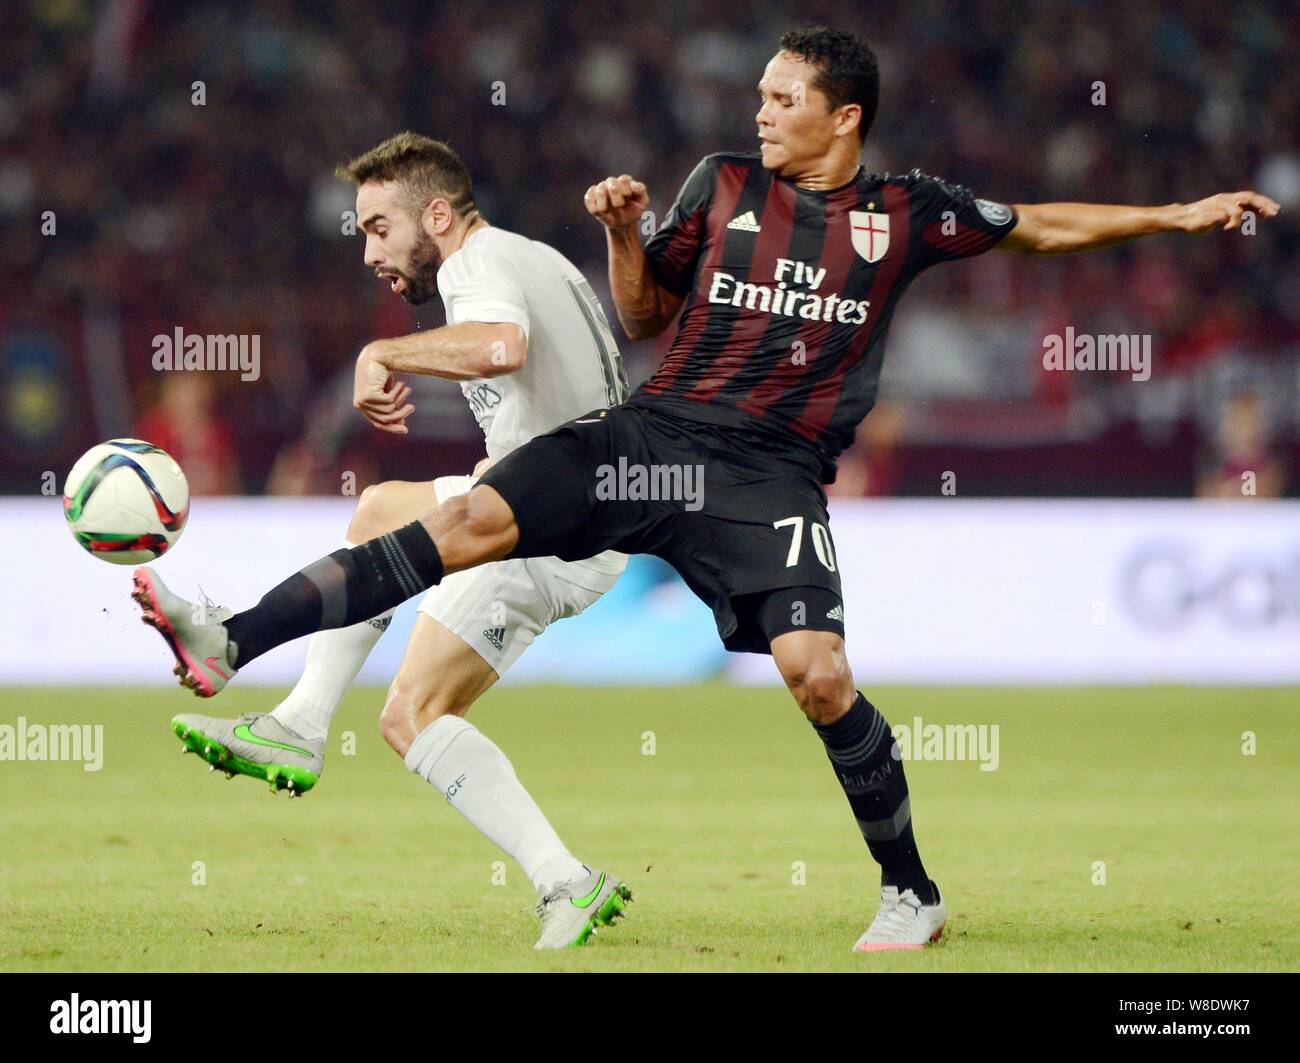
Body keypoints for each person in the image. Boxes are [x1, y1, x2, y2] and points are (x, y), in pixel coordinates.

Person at [132, 28, 1280, 951]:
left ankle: (909, 892)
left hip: (768, 471)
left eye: (784, 99)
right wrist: (630, 234)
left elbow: (1036, 227)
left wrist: (1174, 215)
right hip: (654, 431)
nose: (761, 112)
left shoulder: (905, 213)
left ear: (844, 116)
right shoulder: (722, 185)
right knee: (459, 516)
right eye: (762, 95)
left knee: (817, 677)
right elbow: (644, 316)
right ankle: (235, 639)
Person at [152, 132, 635, 949]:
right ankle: (301, 720)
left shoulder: (478, 267)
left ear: (436, 214)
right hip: (547, 497)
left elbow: (499, 347)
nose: (368, 249)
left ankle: (566, 880)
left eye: (379, 226)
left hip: (552, 527)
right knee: (378, 507)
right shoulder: (531, 256)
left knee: (411, 714)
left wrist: (384, 351)